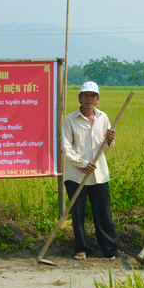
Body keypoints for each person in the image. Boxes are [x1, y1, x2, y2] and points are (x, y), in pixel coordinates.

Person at [61, 81, 125, 261]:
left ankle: (111, 249)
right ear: (80, 98)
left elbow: (106, 146)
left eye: (93, 96)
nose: (89, 99)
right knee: (78, 213)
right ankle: (81, 249)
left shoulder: (102, 117)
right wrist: (82, 163)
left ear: (97, 99)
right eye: (86, 95)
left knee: (103, 212)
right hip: (76, 174)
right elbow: (66, 147)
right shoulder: (70, 120)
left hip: (99, 174)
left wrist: (110, 139)